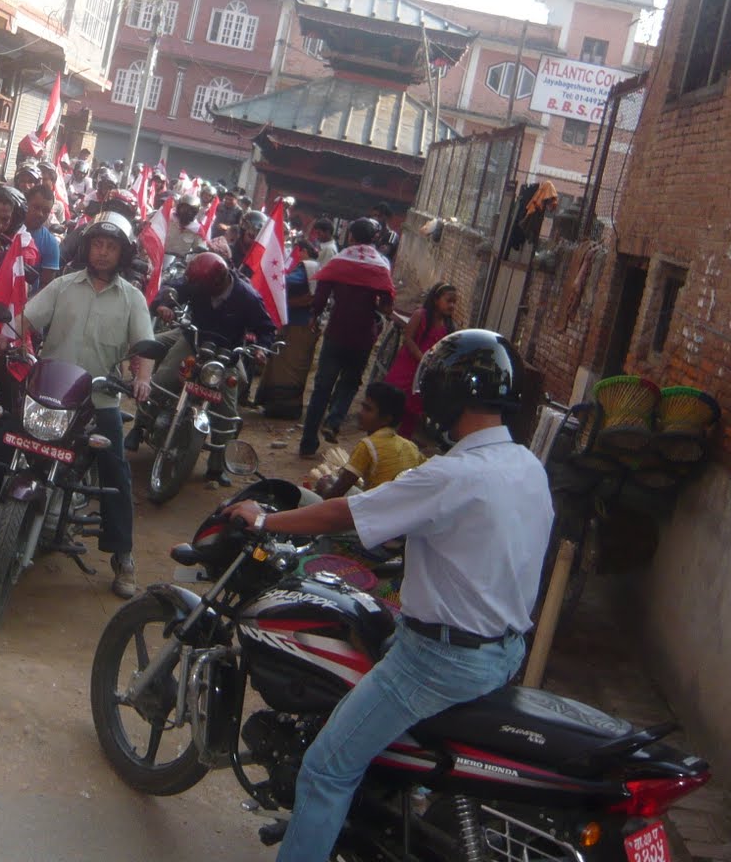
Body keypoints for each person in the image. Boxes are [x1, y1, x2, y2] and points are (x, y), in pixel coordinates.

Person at [225, 329, 551, 861]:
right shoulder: (527, 467)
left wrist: (264, 517)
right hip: (505, 650)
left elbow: (344, 513)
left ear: (448, 395)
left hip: (438, 662)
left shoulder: (450, 474)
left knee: (327, 768)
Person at [17, 212, 154, 596]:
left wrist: (142, 378)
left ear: (123, 254)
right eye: (98, 244)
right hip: (50, 393)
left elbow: (143, 347)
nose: (103, 253)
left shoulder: (132, 299)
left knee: (116, 473)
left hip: (99, 399)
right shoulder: (62, 286)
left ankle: (123, 556)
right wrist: (7, 338)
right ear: (87, 246)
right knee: (8, 443)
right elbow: (24, 320)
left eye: (112, 247)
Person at [145, 250, 275, 484]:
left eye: (202, 285)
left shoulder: (248, 297)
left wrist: (261, 349)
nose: (197, 288)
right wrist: (164, 304)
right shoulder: (197, 284)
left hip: (226, 356)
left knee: (227, 413)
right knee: (161, 382)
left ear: (219, 280)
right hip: (193, 342)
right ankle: (141, 426)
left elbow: (266, 328)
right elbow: (172, 288)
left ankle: (217, 465)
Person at [299, 219, 397, 457]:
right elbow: (386, 301)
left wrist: (314, 316)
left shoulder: (340, 260)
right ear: (373, 238)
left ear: (351, 236)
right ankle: (334, 420)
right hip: (363, 335)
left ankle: (308, 443)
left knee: (322, 387)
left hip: (336, 332)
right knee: (351, 382)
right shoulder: (381, 263)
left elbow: (321, 294)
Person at [313, 383, 423, 498]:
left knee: (304, 493)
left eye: (368, 409)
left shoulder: (368, 445)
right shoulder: (411, 446)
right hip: (400, 508)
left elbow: (333, 495)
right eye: (363, 407)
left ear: (386, 419)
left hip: (375, 510)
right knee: (334, 480)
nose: (360, 413)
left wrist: (323, 487)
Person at [382, 282, 459, 438]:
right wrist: (423, 358)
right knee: (390, 407)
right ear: (436, 300)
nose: (451, 305)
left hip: (424, 377)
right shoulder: (420, 315)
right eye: (448, 300)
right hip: (407, 369)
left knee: (411, 414)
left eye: (454, 302)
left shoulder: (449, 327)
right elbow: (408, 339)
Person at [23, 185, 61, 290]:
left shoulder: (50, 244)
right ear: (26, 204)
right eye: (36, 207)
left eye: (46, 211)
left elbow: (46, 288)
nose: (40, 214)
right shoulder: (6, 229)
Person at [164, 193, 209, 257]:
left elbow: (201, 248)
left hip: (179, 263)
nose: (186, 211)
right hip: (160, 257)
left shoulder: (197, 229)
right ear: (178, 207)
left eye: (190, 210)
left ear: (195, 212)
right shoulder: (168, 218)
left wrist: (201, 249)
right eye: (183, 208)